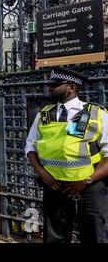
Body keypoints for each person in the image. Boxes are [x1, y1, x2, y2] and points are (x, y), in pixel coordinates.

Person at [25, 67, 108, 243]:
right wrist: (43, 174)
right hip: (54, 186)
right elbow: (30, 147)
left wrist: (86, 181)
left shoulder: (96, 114)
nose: (50, 88)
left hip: (88, 187)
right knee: (55, 236)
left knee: (95, 234)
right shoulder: (43, 114)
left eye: (55, 85)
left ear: (71, 87)